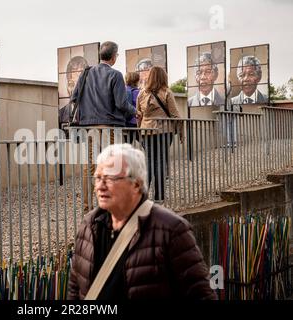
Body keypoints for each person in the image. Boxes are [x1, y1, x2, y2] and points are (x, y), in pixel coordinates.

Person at [68, 144, 216, 299]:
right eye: (98, 178)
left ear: (136, 184)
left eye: (110, 178)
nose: (100, 186)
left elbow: (201, 294)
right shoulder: (89, 225)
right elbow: (75, 288)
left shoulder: (171, 229)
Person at [70, 41, 135, 213]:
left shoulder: (86, 73)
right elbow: (122, 103)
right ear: (114, 57)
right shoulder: (116, 75)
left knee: (89, 166)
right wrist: (135, 112)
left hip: (88, 128)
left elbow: (74, 97)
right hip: (110, 128)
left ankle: (87, 206)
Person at [136, 66, 183, 202]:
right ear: (163, 77)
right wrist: (181, 131)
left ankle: (143, 196)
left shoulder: (142, 94)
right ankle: (159, 197)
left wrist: (140, 130)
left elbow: (139, 114)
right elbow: (175, 114)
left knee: (149, 162)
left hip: (146, 131)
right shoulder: (167, 92)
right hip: (164, 131)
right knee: (161, 162)